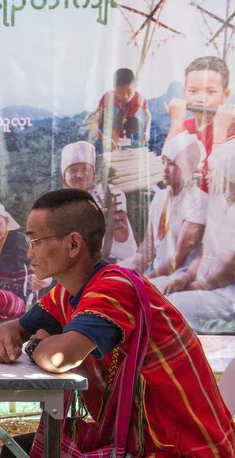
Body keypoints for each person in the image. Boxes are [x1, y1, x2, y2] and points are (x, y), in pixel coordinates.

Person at [0, 188, 235, 458]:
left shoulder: (115, 287)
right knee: (19, 457)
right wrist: (12, 331)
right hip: (133, 446)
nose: (28, 248)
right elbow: (22, 323)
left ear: (72, 244)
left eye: (35, 238)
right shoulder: (67, 293)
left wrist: (32, 345)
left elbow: (58, 357)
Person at [162, 141, 235, 334]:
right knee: (154, 290)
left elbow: (229, 270)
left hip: (227, 297)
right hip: (206, 286)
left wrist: (194, 287)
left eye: (213, 172)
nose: (207, 176)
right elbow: (203, 254)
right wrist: (186, 277)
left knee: (167, 306)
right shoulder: (217, 205)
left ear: (229, 176)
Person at [129, 132, 208, 284]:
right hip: (155, 270)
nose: (165, 169)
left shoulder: (199, 201)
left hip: (179, 275)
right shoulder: (160, 197)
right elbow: (148, 246)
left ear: (189, 167)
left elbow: (178, 259)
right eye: (163, 162)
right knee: (116, 276)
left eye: (172, 164)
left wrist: (143, 280)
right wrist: (132, 270)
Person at [165, 56, 235, 193]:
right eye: (193, 91)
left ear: (224, 95)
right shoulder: (183, 126)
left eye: (211, 92)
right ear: (185, 92)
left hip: (215, 210)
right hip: (184, 208)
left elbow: (218, 184)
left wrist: (220, 131)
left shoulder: (232, 131)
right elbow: (166, 171)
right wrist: (176, 123)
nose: (201, 99)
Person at [60, 141, 137, 262]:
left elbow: (122, 237)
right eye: (73, 171)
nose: (80, 175)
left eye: (85, 169)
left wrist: (108, 218)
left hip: (119, 264)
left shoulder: (110, 193)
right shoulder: (59, 204)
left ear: (93, 172)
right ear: (63, 176)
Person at [86, 67, 151, 148]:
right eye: (119, 92)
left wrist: (147, 131)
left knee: (139, 123)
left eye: (129, 91)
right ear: (114, 87)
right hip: (106, 124)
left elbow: (148, 116)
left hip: (125, 125)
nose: (125, 96)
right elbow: (91, 121)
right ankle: (113, 140)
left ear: (135, 85)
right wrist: (103, 138)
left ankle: (121, 142)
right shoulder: (109, 97)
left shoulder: (140, 99)